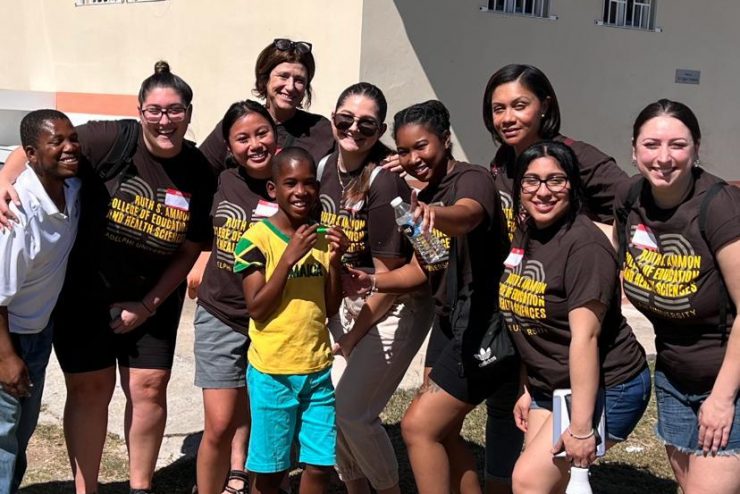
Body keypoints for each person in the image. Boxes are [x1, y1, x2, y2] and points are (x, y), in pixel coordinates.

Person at [0, 61, 215, 494]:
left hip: (152, 298)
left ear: (189, 113)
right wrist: (3, 178)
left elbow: (192, 247)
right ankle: (88, 489)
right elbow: (38, 141)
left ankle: (140, 487)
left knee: (149, 387)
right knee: (90, 389)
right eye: (154, 110)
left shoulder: (197, 169)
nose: (164, 120)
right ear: (139, 111)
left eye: (175, 110)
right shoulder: (113, 138)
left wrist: (149, 304)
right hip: (85, 295)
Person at [346, 100, 513, 494]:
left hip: (484, 321)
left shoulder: (470, 180)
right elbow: (424, 269)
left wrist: (435, 213)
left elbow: (469, 214)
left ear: (446, 139)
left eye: (421, 146)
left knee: (417, 427)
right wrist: (371, 281)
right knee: (446, 432)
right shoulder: (422, 194)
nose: (413, 158)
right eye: (403, 151)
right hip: (447, 322)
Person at [500, 140, 650, 493]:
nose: (543, 191)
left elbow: (586, 338)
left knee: (528, 480)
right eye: (531, 181)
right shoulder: (528, 232)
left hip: (609, 385)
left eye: (556, 180)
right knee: (541, 485)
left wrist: (582, 428)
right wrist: (527, 386)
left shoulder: (585, 247)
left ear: (574, 185)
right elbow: (526, 318)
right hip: (550, 385)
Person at [615, 99, 740, 494]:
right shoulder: (630, 199)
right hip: (673, 378)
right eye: (651, 144)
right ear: (634, 150)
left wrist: (721, 400)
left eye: (678, 145)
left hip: (730, 384)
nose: (664, 158)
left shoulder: (719, 207)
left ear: (697, 149)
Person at [319, 82, 434, 494]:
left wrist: (351, 337)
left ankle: (387, 489)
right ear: (332, 118)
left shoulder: (384, 182)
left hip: (391, 301)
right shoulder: (324, 167)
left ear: (380, 127)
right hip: (346, 299)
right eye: (345, 119)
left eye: (367, 123)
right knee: (331, 407)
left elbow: (390, 275)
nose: (354, 129)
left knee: (353, 412)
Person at [233, 147, 346, 494]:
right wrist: (287, 258)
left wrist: (336, 261)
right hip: (273, 373)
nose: (301, 192)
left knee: (320, 463)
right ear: (273, 190)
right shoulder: (255, 241)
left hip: (316, 369)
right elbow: (257, 308)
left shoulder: (322, 238)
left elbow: (328, 306)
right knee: (269, 470)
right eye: (290, 183)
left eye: (309, 183)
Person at [192, 101, 279, 494]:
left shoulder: (293, 180)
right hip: (221, 313)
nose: (255, 144)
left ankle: (253, 478)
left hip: (275, 319)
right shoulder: (221, 179)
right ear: (228, 145)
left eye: (262, 133)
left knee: (270, 416)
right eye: (242, 138)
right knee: (220, 422)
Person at [0, 110, 81, 493]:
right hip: (7, 335)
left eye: (72, 138)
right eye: (57, 142)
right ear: (31, 154)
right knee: (2, 438)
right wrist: (7, 357)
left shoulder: (72, 189)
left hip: (37, 330)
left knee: (21, 432)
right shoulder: (17, 212)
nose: (70, 148)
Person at [482, 64, 628, 239]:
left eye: (519, 106)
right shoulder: (503, 159)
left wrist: (589, 237)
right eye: (498, 109)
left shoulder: (580, 157)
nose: (507, 119)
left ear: (544, 106)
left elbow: (633, 205)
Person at [199, 38, 334, 175]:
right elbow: (197, 170)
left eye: (299, 80)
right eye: (283, 76)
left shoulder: (322, 131)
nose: (290, 87)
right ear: (265, 79)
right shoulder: (239, 123)